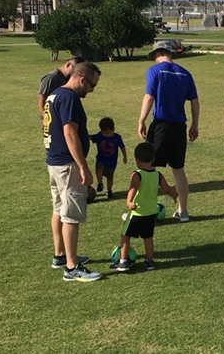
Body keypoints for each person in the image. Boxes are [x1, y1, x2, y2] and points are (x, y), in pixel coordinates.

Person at [43, 61, 101, 282]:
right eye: (92, 85)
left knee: (58, 209)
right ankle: (71, 267)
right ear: (82, 79)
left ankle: (60, 255)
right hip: (67, 164)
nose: (92, 90)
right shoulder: (70, 98)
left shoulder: (54, 94)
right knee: (71, 215)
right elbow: (69, 133)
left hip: (54, 162)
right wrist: (83, 166)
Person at [138, 40, 200, 223]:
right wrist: (195, 125)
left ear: (158, 54)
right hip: (179, 128)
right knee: (178, 170)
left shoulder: (154, 71)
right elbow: (194, 102)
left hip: (161, 126)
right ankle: (183, 210)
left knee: (147, 166)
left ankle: (145, 211)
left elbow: (149, 97)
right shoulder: (185, 73)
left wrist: (141, 120)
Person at [110, 142, 179, 272]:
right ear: (153, 159)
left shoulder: (137, 174)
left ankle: (123, 262)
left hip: (137, 213)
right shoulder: (158, 175)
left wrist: (129, 202)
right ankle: (149, 261)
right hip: (151, 213)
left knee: (125, 236)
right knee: (148, 238)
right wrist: (175, 195)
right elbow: (167, 189)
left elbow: (133, 188)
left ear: (136, 159)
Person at [36, 56, 85, 123]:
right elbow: (41, 98)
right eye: (74, 70)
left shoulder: (69, 79)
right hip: (51, 121)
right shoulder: (51, 78)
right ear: (68, 65)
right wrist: (46, 119)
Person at [90, 117, 127, 198]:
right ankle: (100, 183)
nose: (106, 134)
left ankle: (109, 190)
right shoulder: (99, 136)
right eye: (104, 132)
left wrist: (125, 156)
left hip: (112, 161)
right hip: (101, 159)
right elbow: (89, 137)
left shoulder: (117, 137)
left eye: (108, 132)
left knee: (110, 177)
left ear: (113, 129)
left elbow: (122, 147)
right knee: (99, 169)